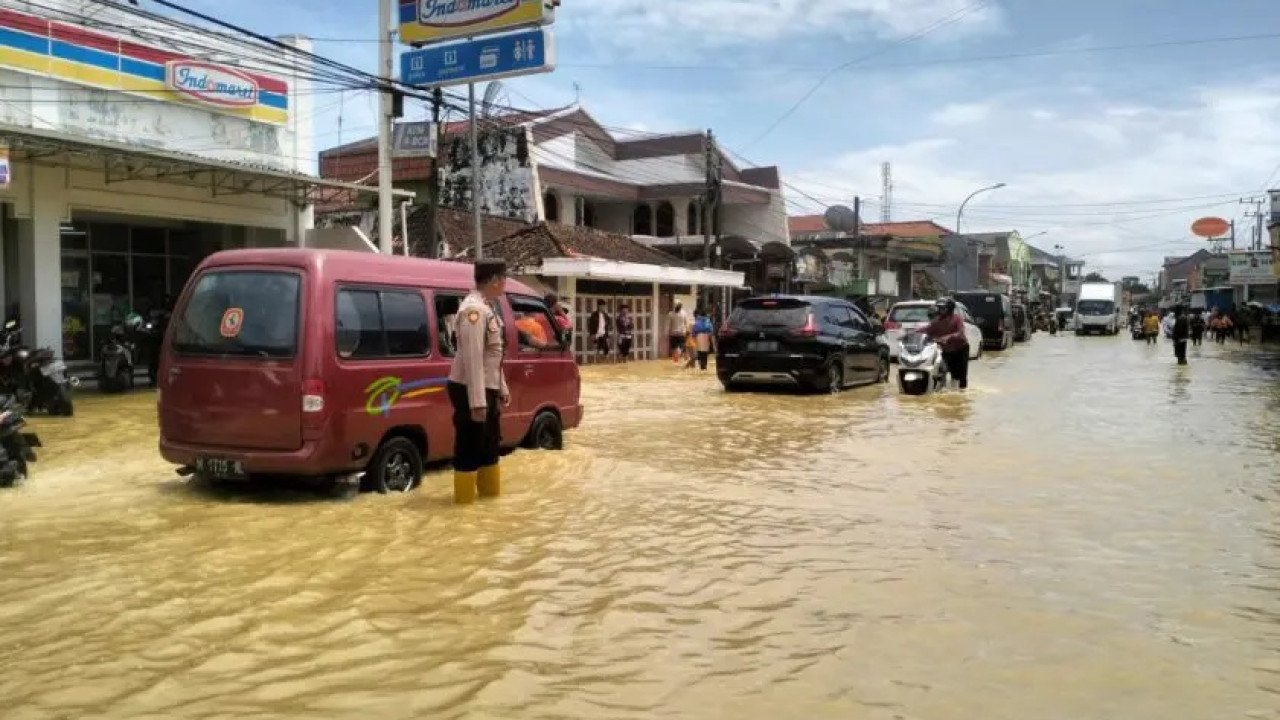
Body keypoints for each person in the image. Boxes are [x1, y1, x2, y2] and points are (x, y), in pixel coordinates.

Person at [447, 259, 510, 504]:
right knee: (469, 448)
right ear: (495, 280)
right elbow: (473, 358)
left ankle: (488, 502)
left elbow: (492, 356)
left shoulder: (487, 307)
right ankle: (464, 505)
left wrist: (502, 387)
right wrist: (477, 402)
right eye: (504, 278)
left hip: (487, 386)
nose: (505, 283)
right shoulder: (473, 311)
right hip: (470, 389)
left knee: (490, 446)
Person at [923, 298, 971, 390]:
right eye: (939, 308)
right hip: (947, 350)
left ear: (948, 309)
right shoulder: (937, 320)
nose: (940, 310)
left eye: (942, 308)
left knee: (961, 375)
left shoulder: (957, 318)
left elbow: (960, 332)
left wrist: (948, 337)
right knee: (943, 369)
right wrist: (911, 334)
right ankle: (941, 388)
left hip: (961, 349)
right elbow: (927, 330)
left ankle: (962, 393)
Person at [690, 306, 715, 370]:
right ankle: (704, 367)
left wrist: (693, 338)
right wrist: (713, 344)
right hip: (706, 337)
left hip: (698, 337)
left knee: (699, 353)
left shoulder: (697, 321)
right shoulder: (708, 321)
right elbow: (711, 332)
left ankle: (701, 366)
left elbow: (694, 331)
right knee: (705, 354)